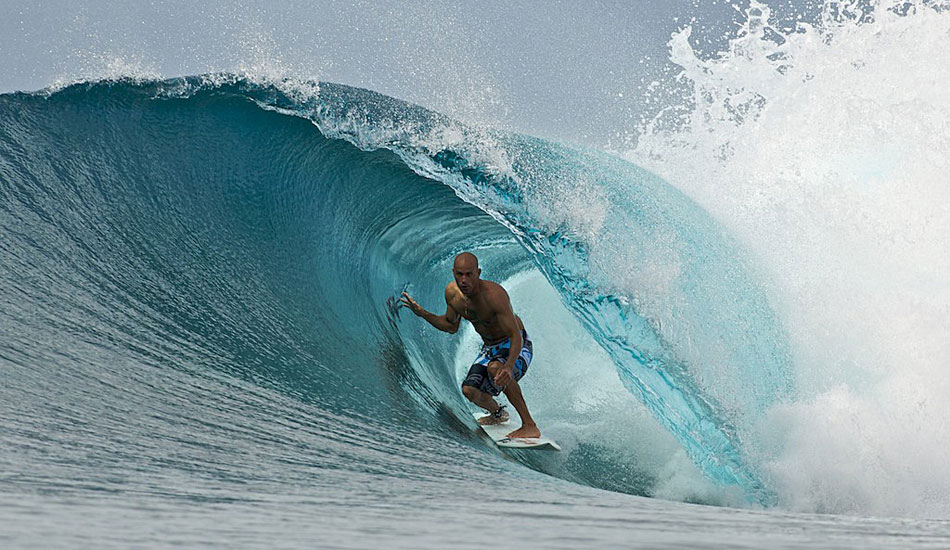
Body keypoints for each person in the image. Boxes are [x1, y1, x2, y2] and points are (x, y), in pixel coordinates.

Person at [400, 252, 540, 439]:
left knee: (496, 368)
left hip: (517, 343)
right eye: (459, 274)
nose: (464, 280)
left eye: (469, 274)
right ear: (453, 273)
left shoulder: (495, 296)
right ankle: (498, 414)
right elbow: (451, 326)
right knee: (470, 391)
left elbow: (516, 336)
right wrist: (423, 313)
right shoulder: (452, 294)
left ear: (478, 273)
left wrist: (508, 366)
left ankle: (530, 425)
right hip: (490, 348)